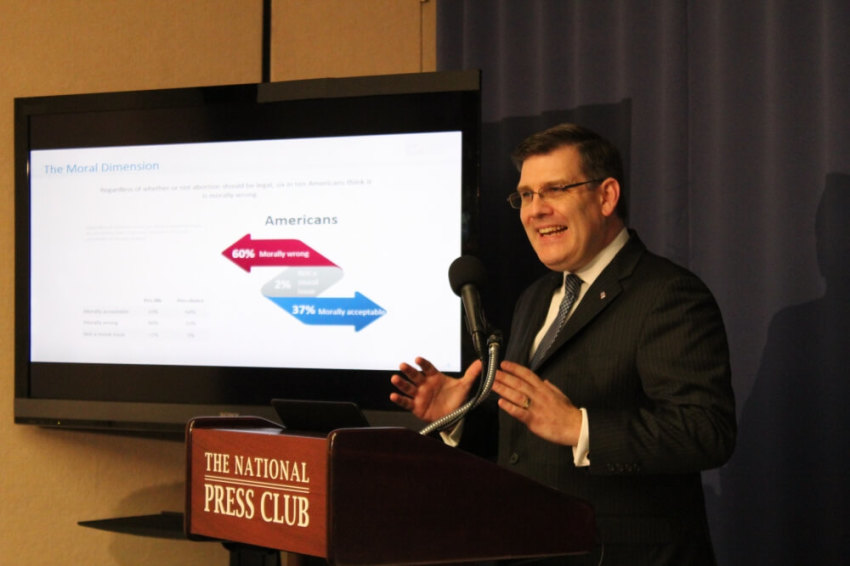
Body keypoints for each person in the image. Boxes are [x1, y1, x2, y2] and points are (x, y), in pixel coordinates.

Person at [390, 123, 736, 566]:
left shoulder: (667, 294)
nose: (536, 210)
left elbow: (706, 432)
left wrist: (579, 427)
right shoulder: (536, 298)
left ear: (606, 197)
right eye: (526, 195)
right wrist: (458, 416)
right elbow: (526, 442)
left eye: (555, 189)